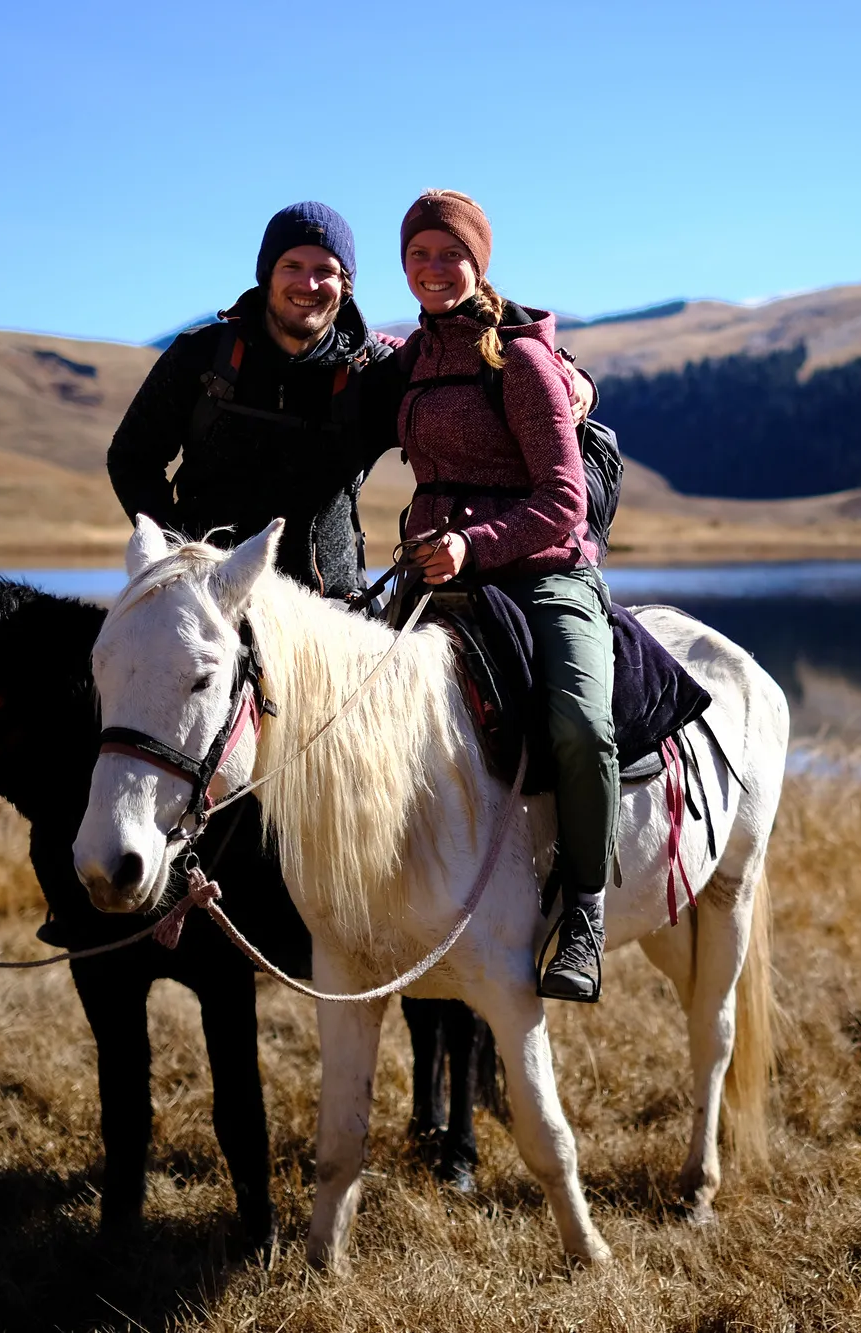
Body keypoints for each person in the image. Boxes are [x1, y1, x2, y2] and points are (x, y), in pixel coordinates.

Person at [108, 201, 593, 602]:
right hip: (208, 599)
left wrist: (573, 378)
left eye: (325, 271)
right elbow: (132, 458)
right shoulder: (201, 355)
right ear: (266, 275)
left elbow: (459, 368)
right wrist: (178, 552)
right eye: (292, 266)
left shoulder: (374, 370)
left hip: (331, 613)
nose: (308, 284)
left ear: (345, 286)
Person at [396, 190, 615, 1003]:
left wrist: (473, 544)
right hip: (439, 577)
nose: (433, 269)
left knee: (582, 726)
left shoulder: (519, 361)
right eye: (418, 255)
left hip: (543, 574)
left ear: (478, 262)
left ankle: (584, 910)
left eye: (449, 254)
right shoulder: (411, 359)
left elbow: (565, 499)